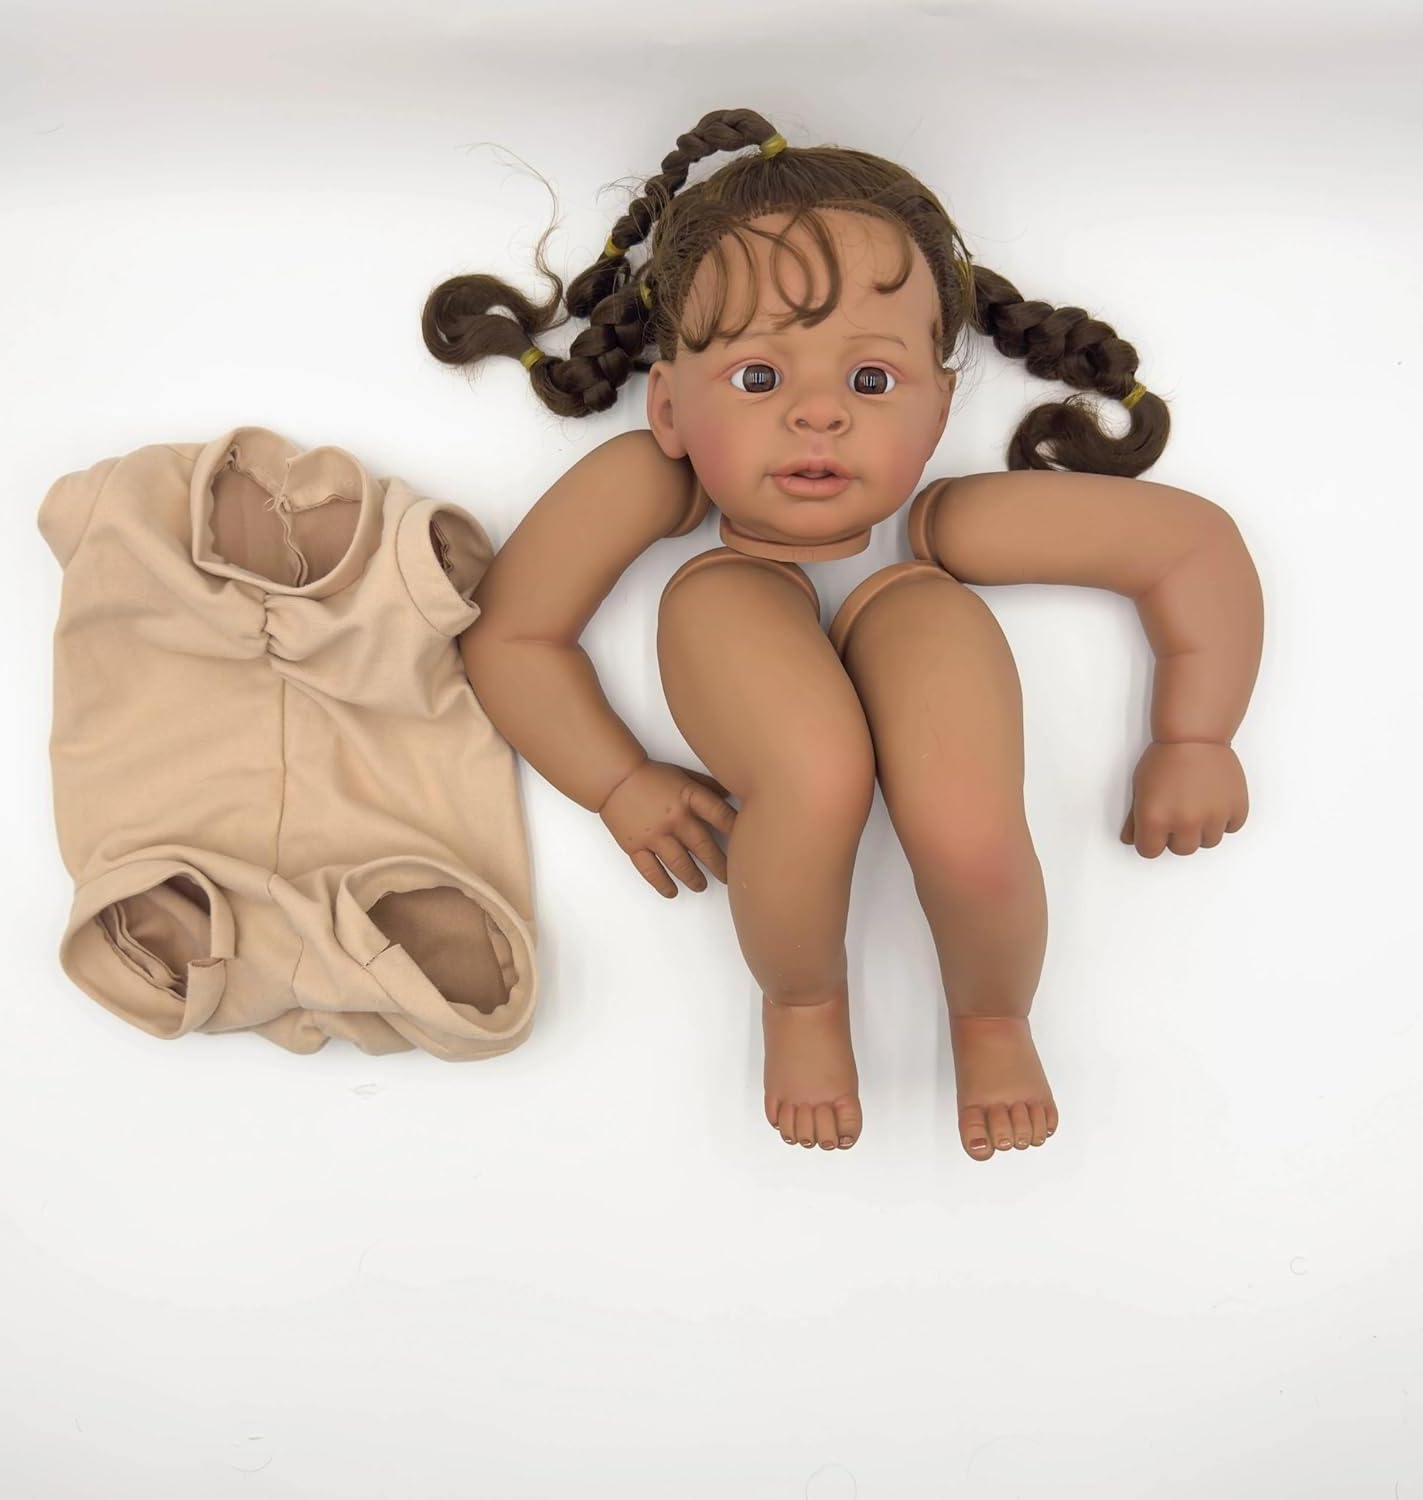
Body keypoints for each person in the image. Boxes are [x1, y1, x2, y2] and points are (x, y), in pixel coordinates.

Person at [420, 107, 1263, 1159]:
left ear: (939, 409)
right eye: (759, 377)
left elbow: (1191, 547)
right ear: (670, 407)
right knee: (814, 776)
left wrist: (1197, 734)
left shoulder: (966, 520)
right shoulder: (653, 478)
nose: (818, 415)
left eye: (870, 381)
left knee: (972, 830)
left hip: (917, 607)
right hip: (734, 597)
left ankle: (994, 1016)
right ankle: (803, 1001)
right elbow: (510, 636)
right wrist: (617, 781)